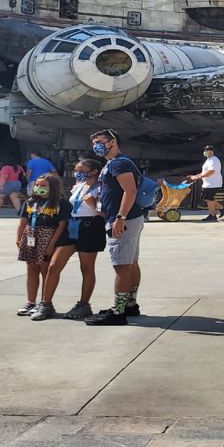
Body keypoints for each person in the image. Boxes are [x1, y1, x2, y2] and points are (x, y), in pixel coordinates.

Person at [85, 129, 146, 326]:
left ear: (113, 142)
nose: (97, 145)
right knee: (131, 261)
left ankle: (118, 310)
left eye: (101, 141)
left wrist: (120, 217)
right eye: (94, 142)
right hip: (126, 218)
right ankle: (130, 304)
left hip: (123, 220)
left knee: (121, 265)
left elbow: (130, 190)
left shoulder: (119, 163)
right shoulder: (112, 164)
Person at [47, 159, 108, 320]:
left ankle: (83, 304)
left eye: (82, 169)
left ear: (94, 171)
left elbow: (107, 212)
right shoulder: (79, 186)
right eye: (76, 169)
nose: (77, 172)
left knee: (86, 268)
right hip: (72, 225)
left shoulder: (101, 187)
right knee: (54, 265)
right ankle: (46, 303)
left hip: (90, 226)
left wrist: (94, 205)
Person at [15, 173, 69, 320]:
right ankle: (30, 302)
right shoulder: (30, 202)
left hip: (47, 237)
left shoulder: (60, 203)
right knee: (31, 269)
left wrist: (51, 244)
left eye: (43, 185)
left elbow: (61, 226)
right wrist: (19, 238)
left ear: (53, 187)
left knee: (45, 270)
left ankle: (44, 302)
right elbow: (23, 222)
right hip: (31, 236)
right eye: (37, 185)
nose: (39, 188)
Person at [188, 145, 224, 222]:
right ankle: (222, 209)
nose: (205, 152)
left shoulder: (214, 160)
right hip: (208, 183)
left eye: (207, 150)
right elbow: (204, 172)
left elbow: (211, 172)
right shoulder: (208, 160)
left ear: (212, 151)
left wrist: (197, 177)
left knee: (209, 198)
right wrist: (195, 176)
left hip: (213, 183)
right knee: (206, 198)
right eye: (205, 150)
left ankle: (212, 215)